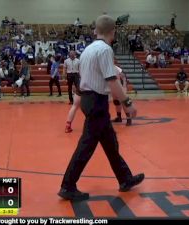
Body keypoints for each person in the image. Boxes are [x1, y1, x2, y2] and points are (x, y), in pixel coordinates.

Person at [58, 15, 144, 201]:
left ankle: (125, 178)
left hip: (89, 98)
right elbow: (112, 81)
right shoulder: (105, 50)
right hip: (97, 101)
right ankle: (67, 185)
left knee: (110, 142)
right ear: (113, 31)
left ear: (96, 30)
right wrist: (127, 103)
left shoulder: (88, 49)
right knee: (86, 146)